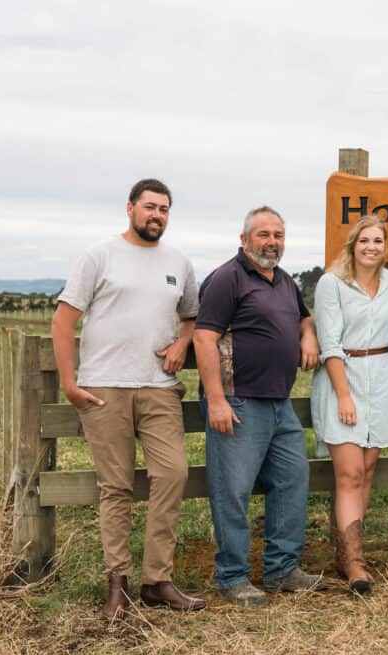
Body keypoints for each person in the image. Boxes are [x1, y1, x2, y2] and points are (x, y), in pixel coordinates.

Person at [52, 178, 206, 620]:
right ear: (130, 208)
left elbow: (192, 315)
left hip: (159, 388)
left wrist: (182, 344)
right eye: (149, 207)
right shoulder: (98, 256)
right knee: (116, 488)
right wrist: (69, 382)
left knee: (173, 474)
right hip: (104, 388)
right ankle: (116, 585)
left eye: (164, 209)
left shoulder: (179, 261)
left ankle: (157, 580)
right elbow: (64, 323)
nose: (156, 215)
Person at [193, 205, 327, 607]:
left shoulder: (284, 281)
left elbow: (303, 319)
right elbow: (204, 339)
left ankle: (281, 569)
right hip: (237, 400)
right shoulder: (226, 279)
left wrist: (308, 337)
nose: (272, 242)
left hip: (279, 402)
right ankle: (232, 577)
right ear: (244, 239)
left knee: (291, 481)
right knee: (232, 490)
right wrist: (216, 399)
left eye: (279, 235)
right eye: (264, 234)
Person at [311, 214, 388, 594]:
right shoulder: (331, 284)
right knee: (350, 472)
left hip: (382, 378)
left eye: (378, 241)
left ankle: (345, 551)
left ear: (386, 247)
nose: (372, 247)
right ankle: (355, 562)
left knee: (368, 470)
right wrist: (344, 396)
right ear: (353, 245)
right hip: (345, 375)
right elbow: (329, 343)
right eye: (364, 241)